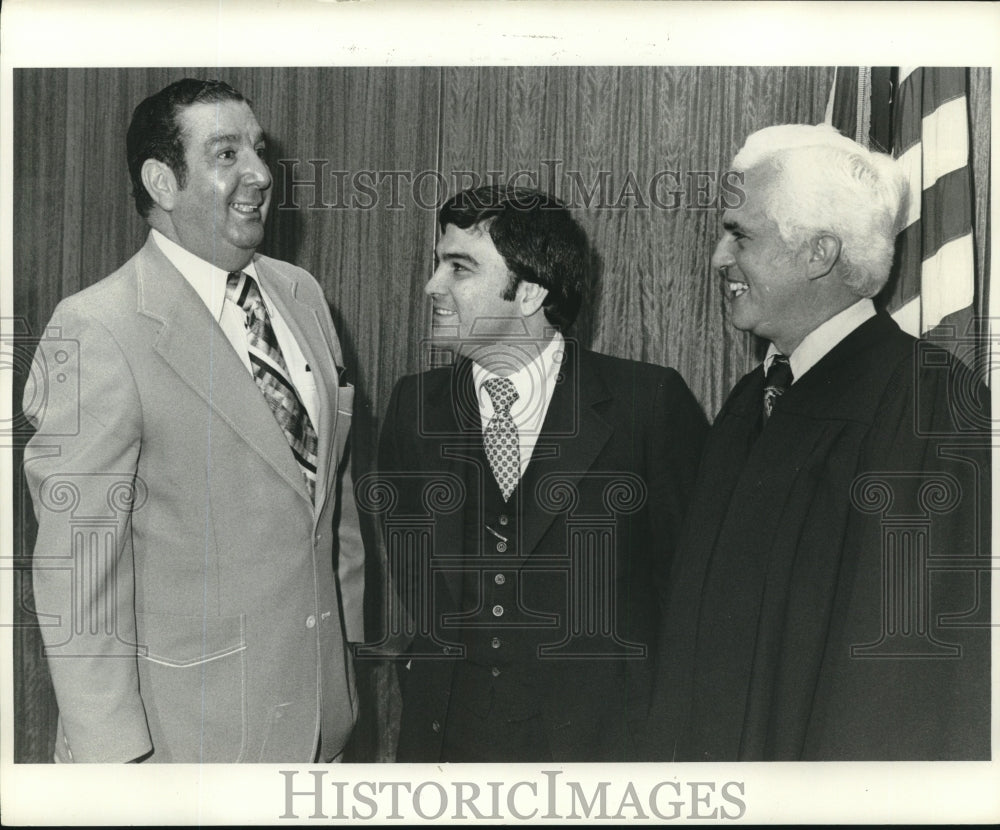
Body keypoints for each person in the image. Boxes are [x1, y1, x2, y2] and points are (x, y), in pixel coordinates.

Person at [23, 78, 365, 763]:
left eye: (259, 150)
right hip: (188, 740)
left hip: (321, 715)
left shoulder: (302, 294)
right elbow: (77, 566)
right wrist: (114, 758)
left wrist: (346, 641)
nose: (261, 174)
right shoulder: (96, 328)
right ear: (162, 181)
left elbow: (331, 493)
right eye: (226, 153)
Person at [654, 123, 991, 761]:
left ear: (819, 253)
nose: (720, 259)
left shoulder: (925, 399)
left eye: (740, 235)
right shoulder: (747, 403)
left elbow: (903, 673)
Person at [372, 184, 708, 762]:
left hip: (601, 758)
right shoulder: (412, 407)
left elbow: (692, 594)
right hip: (448, 752)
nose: (432, 286)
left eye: (459, 268)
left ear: (528, 292)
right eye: (437, 264)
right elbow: (414, 578)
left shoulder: (647, 405)